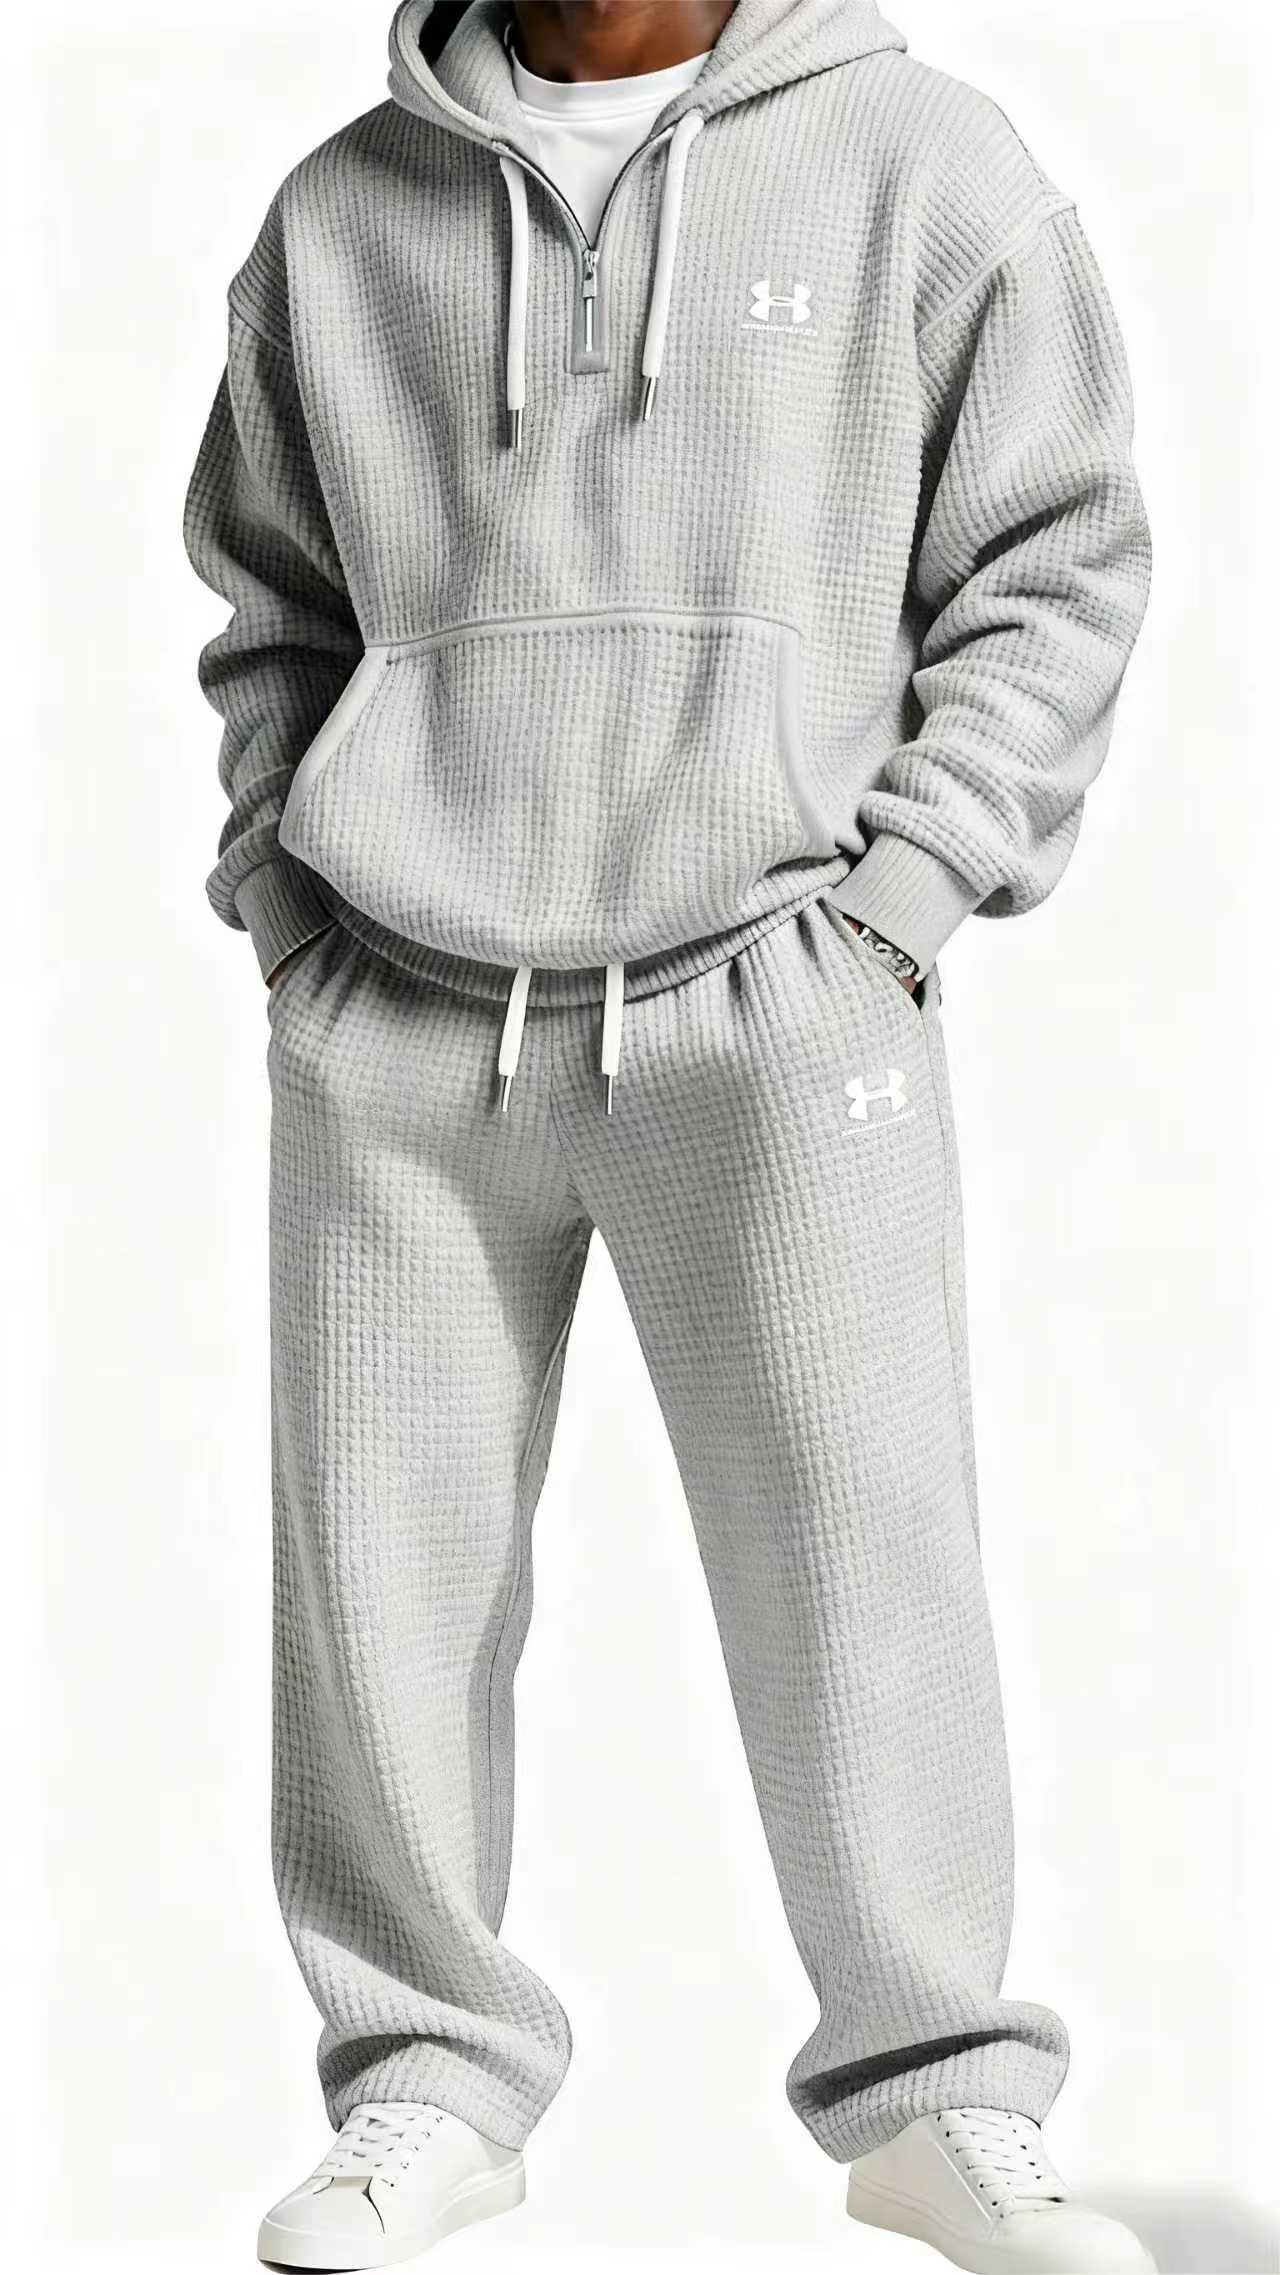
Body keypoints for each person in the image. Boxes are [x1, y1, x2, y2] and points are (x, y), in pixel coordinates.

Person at [183, 1, 1154, 2266]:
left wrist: (905, 897)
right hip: (400, 1009)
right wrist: (284, 899)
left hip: (777, 997)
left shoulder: (923, 163)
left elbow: (1057, 557)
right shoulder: (342, 214)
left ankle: (935, 2089)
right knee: (380, 1583)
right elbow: (274, 606)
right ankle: (424, 2075)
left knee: (861, 1554)